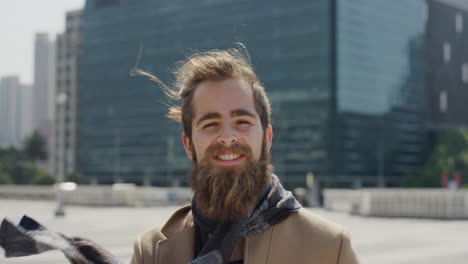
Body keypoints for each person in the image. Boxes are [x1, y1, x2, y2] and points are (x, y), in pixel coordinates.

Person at [130, 48, 359, 264]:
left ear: (267, 138)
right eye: (211, 124)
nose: (227, 137)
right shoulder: (149, 252)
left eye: (242, 122)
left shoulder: (329, 248)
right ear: (188, 145)